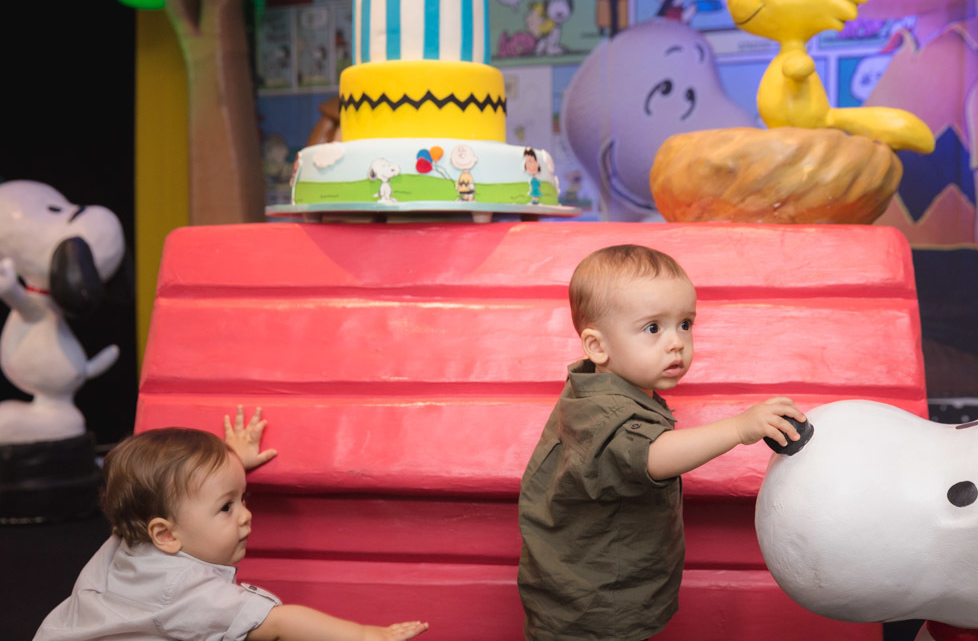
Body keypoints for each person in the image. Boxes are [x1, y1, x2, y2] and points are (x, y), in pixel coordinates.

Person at [517, 244, 805, 640]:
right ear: (597, 346)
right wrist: (739, 429)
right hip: (595, 607)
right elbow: (652, 456)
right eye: (653, 328)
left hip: (597, 589)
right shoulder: (603, 413)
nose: (676, 343)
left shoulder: (608, 386)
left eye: (685, 324)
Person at [35, 407, 429, 641]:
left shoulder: (134, 529)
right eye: (226, 508)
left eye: (243, 498)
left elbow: (158, 489)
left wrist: (231, 465)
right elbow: (280, 623)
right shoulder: (187, 593)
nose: (245, 515)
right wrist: (365, 635)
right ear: (166, 534)